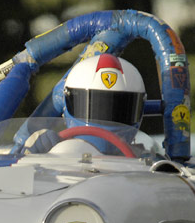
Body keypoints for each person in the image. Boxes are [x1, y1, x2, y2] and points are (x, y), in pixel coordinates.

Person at [23, 53, 151, 155]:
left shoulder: (145, 162)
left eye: (118, 110)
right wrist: (31, 156)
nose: (104, 121)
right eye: (95, 108)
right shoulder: (54, 152)